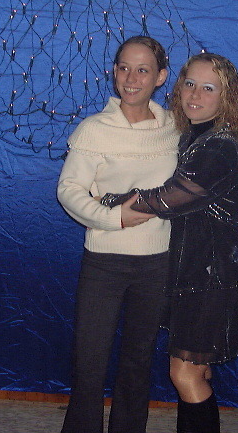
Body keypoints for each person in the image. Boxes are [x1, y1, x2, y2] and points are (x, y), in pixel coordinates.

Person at [101, 53, 238, 433]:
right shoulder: (195, 135)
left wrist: (107, 199)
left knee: (185, 375)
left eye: (208, 88)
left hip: (207, 280)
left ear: (227, 97)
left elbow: (167, 199)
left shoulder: (219, 147)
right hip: (195, 274)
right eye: (190, 84)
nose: (195, 95)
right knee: (196, 373)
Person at [57, 36, 180, 433]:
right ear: (113, 71)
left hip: (157, 263)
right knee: (89, 360)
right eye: (124, 67)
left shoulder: (175, 129)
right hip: (104, 262)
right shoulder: (94, 129)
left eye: (143, 70)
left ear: (160, 77)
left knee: (138, 360)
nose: (131, 78)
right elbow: (69, 190)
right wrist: (115, 219)